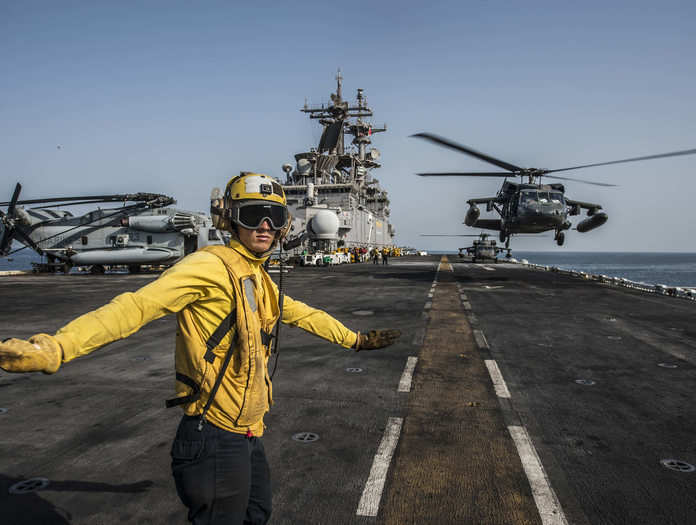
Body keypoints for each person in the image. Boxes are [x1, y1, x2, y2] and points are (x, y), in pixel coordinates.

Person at [0, 172, 401, 525]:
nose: (264, 226)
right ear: (229, 219)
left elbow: (300, 313)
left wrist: (356, 340)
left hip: (247, 431)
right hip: (212, 434)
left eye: (274, 217)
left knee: (256, 513)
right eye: (252, 214)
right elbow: (135, 307)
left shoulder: (256, 276)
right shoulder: (209, 266)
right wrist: (56, 347)